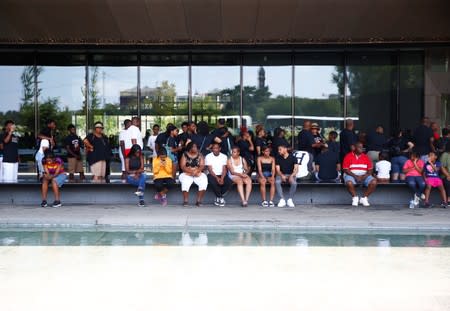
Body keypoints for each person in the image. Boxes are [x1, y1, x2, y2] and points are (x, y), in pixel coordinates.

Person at [342, 142, 377, 206]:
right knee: (349, 183)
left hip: (364, 175)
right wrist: (356, 177)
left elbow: (370, 170)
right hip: (351, 175)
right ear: (354, 148)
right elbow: (346, 169)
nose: (362, 149)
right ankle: (355, 197)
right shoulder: (348, 156)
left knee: (374, 182)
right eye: (359, 147)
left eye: (362, 147)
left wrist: (363, 176)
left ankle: (364, 198)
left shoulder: (366, 157)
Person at [179, 142, 208, 207]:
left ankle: (199, 201)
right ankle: (186, 200)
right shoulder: (185, 154)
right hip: (186, 173)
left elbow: (202, 166)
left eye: (196, 147)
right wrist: (191, 172)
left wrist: (196, 171)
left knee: (204, 181)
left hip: (197, 173)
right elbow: (182, 166)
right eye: (194, 147)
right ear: (190, 148)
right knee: (185, 181)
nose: (196, 148)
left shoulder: (200, 155)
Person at [205, 142, 232, 207]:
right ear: (212, 149)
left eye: (217, 148)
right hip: (212, 174)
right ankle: (221, 198)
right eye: (213, 148)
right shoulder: (208, 156)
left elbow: (224, 169)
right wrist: (217, 178)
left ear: (220, 149)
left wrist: (222, 178)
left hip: (222, 174)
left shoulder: (224, 156)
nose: (215, 150)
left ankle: (218, 197)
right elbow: (210, 170)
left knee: (229, 182)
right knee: (213, 182)